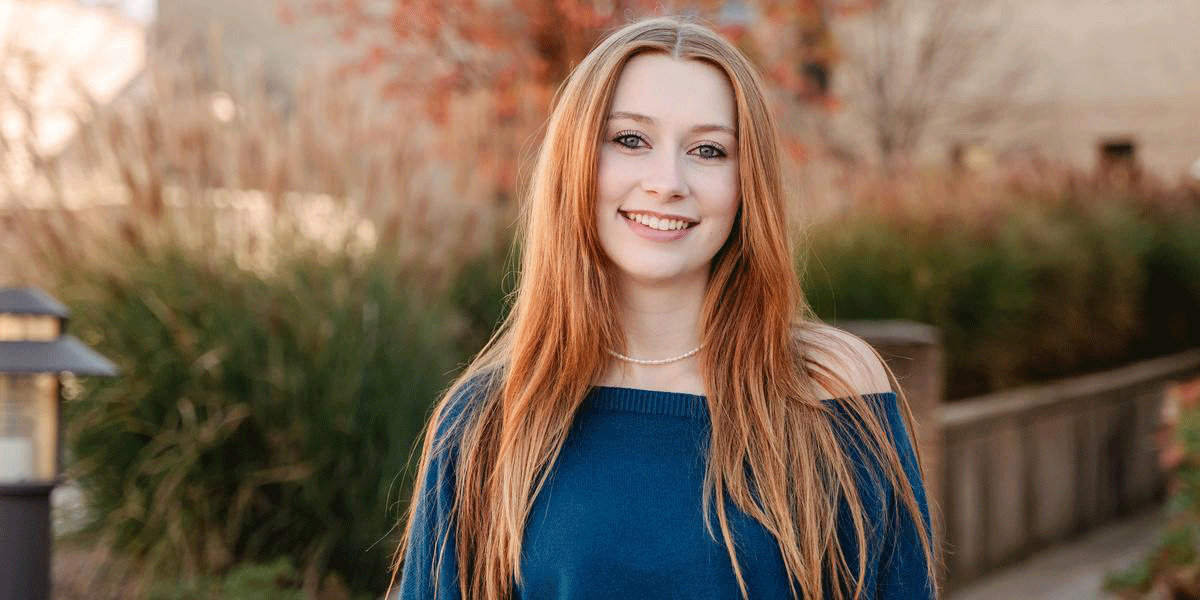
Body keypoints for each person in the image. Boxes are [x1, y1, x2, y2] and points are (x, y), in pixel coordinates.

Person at [388, 15, 940, 600]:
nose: (667, 181)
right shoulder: (487, 424)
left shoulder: (830, 390)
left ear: (746, 181)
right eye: (630, 139)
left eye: (708, 150)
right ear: (576, 162)